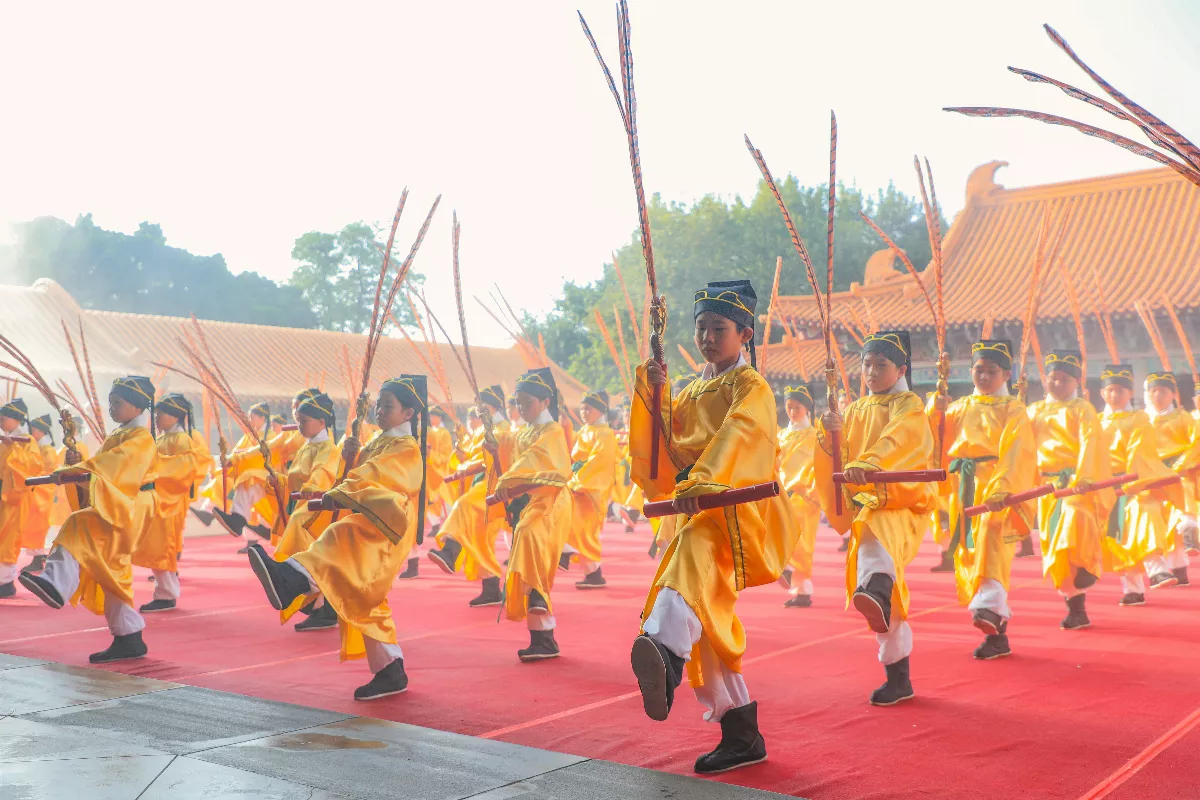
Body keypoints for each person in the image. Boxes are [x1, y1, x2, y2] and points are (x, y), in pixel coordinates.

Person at [629, 280, 798, 774]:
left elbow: (741, 435)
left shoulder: (752, 387)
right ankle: (742, 734)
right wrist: (654, 391)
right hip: (700, 504)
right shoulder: (696, 387)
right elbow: (671, 445)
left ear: (744, 333)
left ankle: (663, 649)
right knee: (707, 617)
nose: (706, 337)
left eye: (717, 329)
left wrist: (704, 477)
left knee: (685, 574)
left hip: (735, 511)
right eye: (700, 327)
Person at [246, 375, 429, 700]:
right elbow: (358, 472)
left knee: (340, 536)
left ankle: (296, 579)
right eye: (378, 405)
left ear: (409, 413)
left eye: (388, 406)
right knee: (363, 593)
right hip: (372, 517)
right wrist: (350, 457)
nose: (379, 412)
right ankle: (390, 670)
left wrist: (341, 489)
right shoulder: (379, 441)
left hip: (388, 524)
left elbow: (377, 476)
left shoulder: (406, 447)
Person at [815, 331, 937, 705]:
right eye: (866, 364)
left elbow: (901, 440)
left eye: (879, 365)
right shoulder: (853, 410)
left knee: (875, 541)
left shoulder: (909, 405)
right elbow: (838, 455)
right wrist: (828, 435)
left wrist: (867, 464)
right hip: (869, 500)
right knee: (878, 577)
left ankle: (876, 591)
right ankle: (897, 675)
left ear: (900, 369)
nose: (870, 372)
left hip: (901, 501)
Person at [20, 377, 159, 662]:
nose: (111, 408)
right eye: (110, 402)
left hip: (130, 505)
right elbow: (101, 467)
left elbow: (113, 467)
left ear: (136, 406)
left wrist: (77, 470)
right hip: (122, 503)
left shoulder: (140, 439)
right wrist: (76, 463)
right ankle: (128, 637)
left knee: (79, 524)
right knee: (109, 567)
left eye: (117, 403)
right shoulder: (122, 434)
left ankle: (57, 583)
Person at [934, 341, 1036, 659]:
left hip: (997, 488)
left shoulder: (1013, 408)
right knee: (968, 553)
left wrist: (1002, 488)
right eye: (979, 370)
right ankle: (996, 635)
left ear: (1006, 373)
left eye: (992, 371)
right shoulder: (960, 406)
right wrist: (934, 410)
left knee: (993, 539)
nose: (985, 376)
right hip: (965, 486)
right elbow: (937, 437)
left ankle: (990, 610)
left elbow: (1018, 450)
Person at [485, 368, 573, 661]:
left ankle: (538, 598)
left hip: (552, 500)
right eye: (518, 402)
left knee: (528, 535)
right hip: (532, 500)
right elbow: (513, 452)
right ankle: (543, 638)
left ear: (545, 402)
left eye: (528, 402)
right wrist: (496, 449)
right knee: (524, 545)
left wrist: (507, 482)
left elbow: (532, 460)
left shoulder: (552, 431)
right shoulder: (526, 430)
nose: (522, 408)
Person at [1028, 351, 1113, 630]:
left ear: (1076, 381)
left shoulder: (1082, 408)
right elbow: (1022, 447)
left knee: (1076, 522)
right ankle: (1076, 608)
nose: (1058, 385)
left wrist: (1084, 476)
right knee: (1054, 548)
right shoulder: (1034, 411)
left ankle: (1087, 566)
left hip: (1077, 482)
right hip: (1046, 486)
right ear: (1045, 379)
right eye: (1053, 379)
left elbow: (1091, 442)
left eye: (1065, 380)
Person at [1099, 365, 1187, 605]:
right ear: (1102, 393)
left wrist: (1131, 480)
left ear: (1131, 393)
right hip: (1106, 487)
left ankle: (1157, 568)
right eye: (1111, 390)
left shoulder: (1139, 419)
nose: (1115, 395)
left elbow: (1139, 451)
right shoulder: (1096, 422)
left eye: (1121, 390)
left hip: (1137, 482)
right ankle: (1133, 589)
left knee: (1144, 517)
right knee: (1116, 537)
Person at [426, 386, 513, 607]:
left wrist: (468, 465)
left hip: (494, 485)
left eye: (479, 404)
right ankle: (491, 588)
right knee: (478, 536)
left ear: (491, 405)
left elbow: (492, 460)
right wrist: (462, 458)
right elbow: (476, 456)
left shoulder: (503, 429)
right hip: (482, 483)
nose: (475, 409)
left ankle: (451, 551)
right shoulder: (486, 428)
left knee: (463, 505)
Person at [270, 390, 344, 631]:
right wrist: (278, 481)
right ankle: (322, 608)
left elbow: (322, 474)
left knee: (300, 526)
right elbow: (296, 481)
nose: (299, 426)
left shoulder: (329, 449)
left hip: (321, 508)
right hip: (306, 504)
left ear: (322, 422)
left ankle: (288, 576)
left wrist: (311, 488)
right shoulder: (307, 447)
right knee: (302, 530)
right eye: (298, 421)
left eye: (304, 421)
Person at [132, 393, 206, 613]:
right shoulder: (163, 438)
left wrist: (154, 464)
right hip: (159, 500)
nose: (156, 418)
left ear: (174, 417)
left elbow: (184, 467)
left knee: (162, 548)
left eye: (161, 413)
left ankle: (166, 594)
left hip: (170, 502)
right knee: (155, 546)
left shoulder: (182, 440)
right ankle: (164, 591)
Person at [1145, 370, 1196, 586]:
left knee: (1177, 521)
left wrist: (1178, 465)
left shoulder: (1182, 417)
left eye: (1163, 391)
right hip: (1150, 478)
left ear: (1173, 394)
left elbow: (1196, 444)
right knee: (1153, 521)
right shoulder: (1142, 420)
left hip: (1178, 475)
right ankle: (1158, 569)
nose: (1158, 396)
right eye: (1153, 391)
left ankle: (1179, 566)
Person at [564, 390, 618, 588]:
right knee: (579, 528)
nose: (584, 412)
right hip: (577, 484)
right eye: (582, 408)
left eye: (588, 408)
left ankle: (569, 555)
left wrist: (578, 483)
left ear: (599, 411)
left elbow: (599, 463)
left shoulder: (605, 434)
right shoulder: (585, 430)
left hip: (591, 489)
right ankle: (593, 574)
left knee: (584, 529)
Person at [777, 385, 820, 608]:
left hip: (803, 495)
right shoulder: (782, 434)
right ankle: (794, 580)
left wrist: (800, 487)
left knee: (801, 543)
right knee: (780, 535)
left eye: (797, 407)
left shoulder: (813, 435)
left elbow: (811, 465)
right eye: (789, 407)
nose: (793, 412)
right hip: (781, 494)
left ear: (807, 409)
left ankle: (800, 587)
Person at [213, 402, 277, 547]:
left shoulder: (271, 436)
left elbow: (261, 453)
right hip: (251, 475)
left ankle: (239, 520)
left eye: (252, 417)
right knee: (239, 484)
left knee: (247, 482)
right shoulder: (248, 436)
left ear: (262, 418)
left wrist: (238, 457)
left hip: (264, 475)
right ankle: (250, 523)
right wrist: (228, 458)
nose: (249, 421)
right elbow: (237, 452)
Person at [0, 400, 46, 598]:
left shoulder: (26, 440)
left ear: (16, 419)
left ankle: (6, 582)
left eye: (4, 417)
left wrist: (13, 449)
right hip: (3, 495)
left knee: (9, 539)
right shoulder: (6, 440)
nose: (0, 421)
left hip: (16, 498)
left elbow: (33, 467)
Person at [22, 414, 60, 574]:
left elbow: (49, 473)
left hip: (41, 493)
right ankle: (38, 557)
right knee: (33, 527)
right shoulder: (39, 447)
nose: (32, 432)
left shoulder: (47, 450)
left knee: (38, 527)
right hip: (36, 492)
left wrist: (31, 478)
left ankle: (38, 559)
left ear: (41, 431)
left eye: (34, 429)